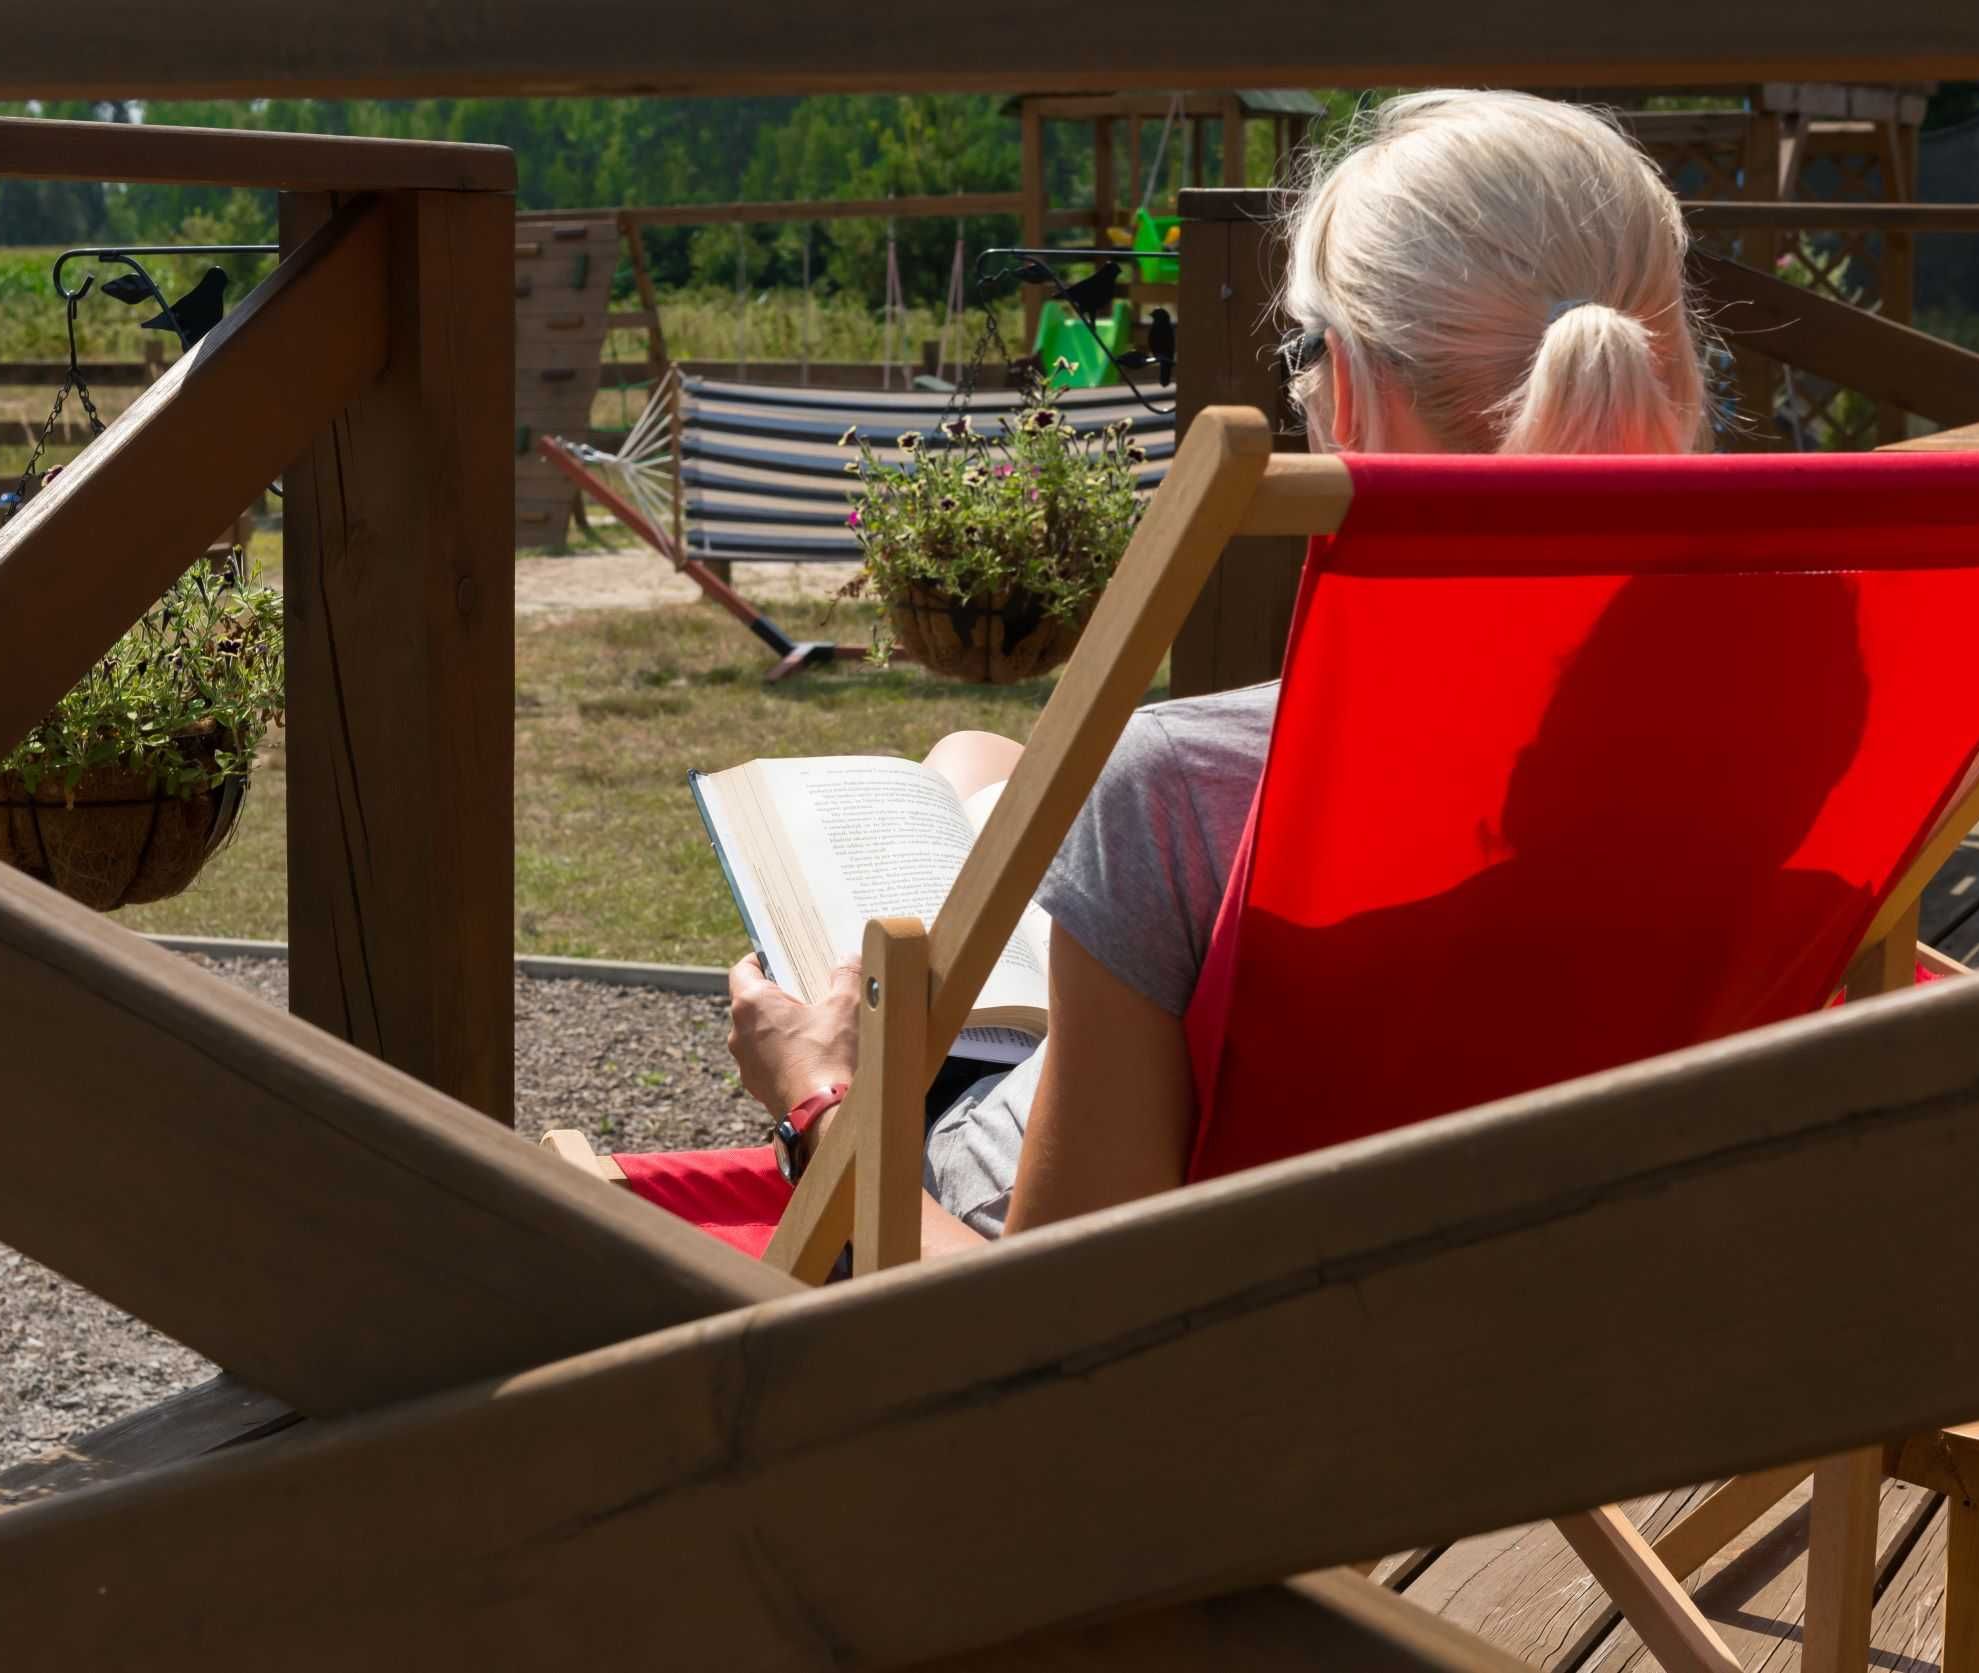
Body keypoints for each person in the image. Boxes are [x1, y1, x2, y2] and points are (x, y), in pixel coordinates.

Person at [727, 89, 1713, 1255]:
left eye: (1300, 349)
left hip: (1202, 1325)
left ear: (1343, 385)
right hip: (1618, 1309)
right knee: (977, 758)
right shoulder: (1813, 714)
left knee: (906, 931)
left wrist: (818, 1100)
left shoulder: (1188, 787)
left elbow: (1048, 1340)